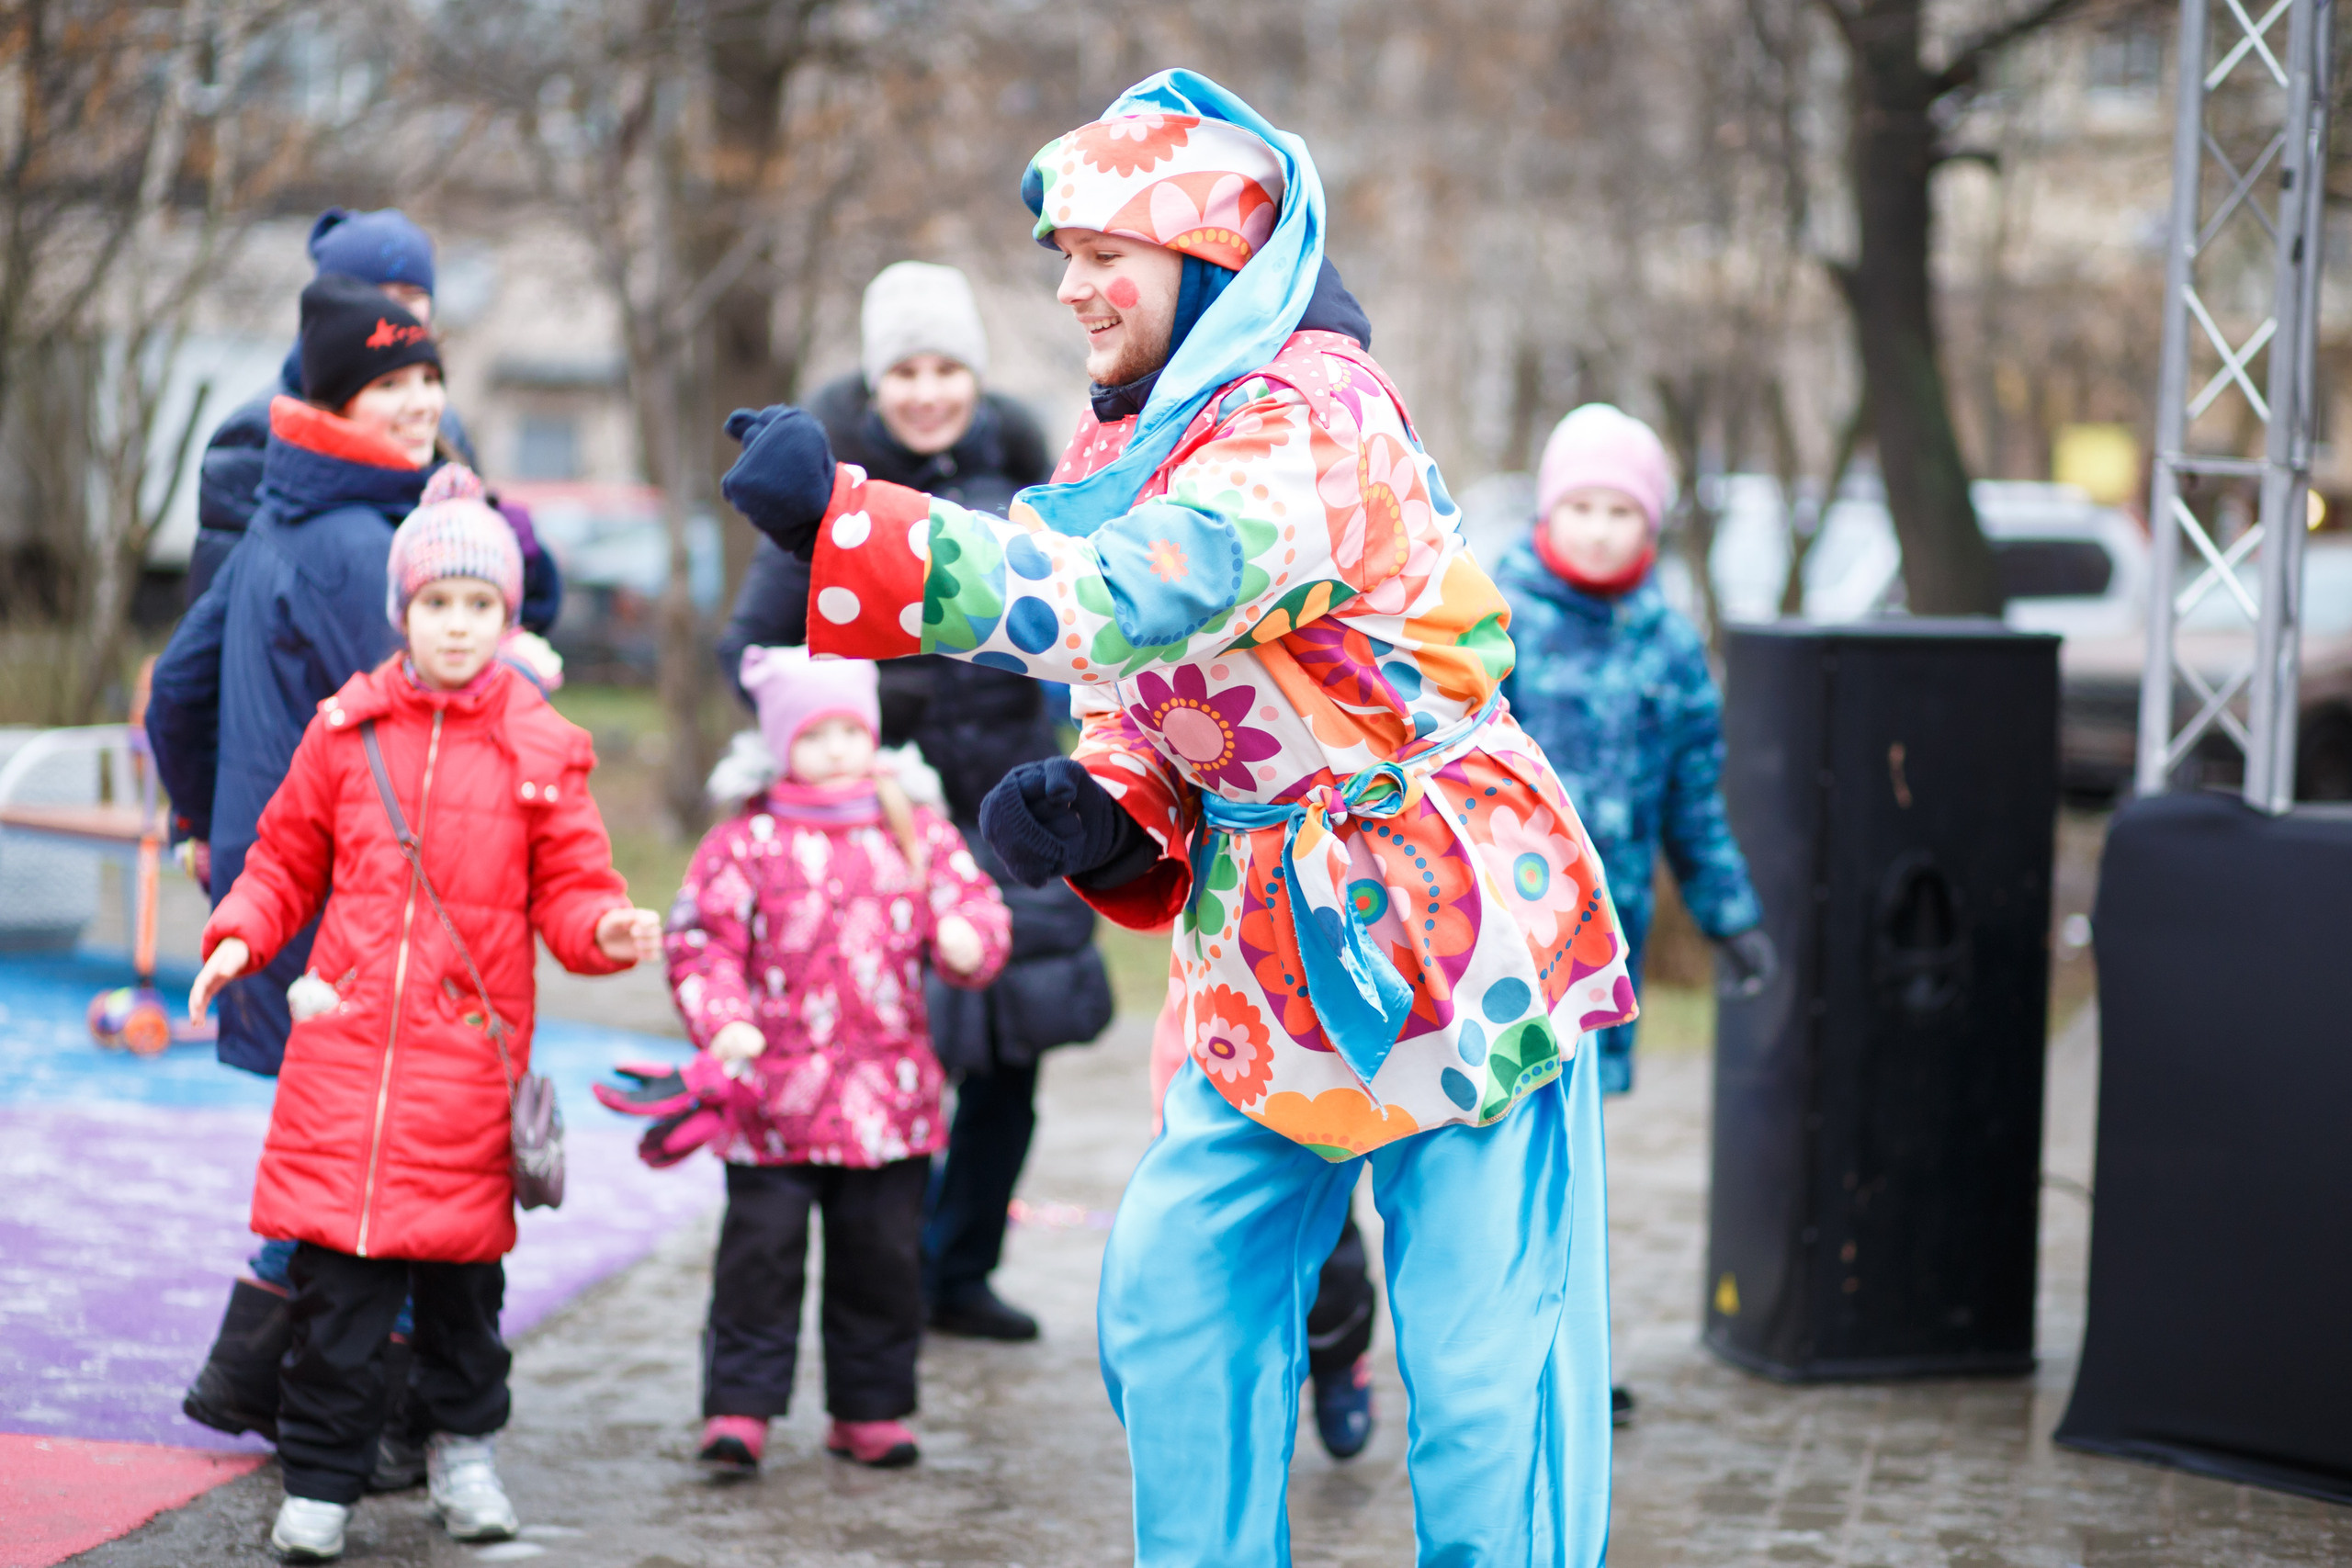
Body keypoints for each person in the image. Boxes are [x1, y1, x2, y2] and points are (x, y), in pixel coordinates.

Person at [712, 71, 1638, 1564]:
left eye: (1106, 256)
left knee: (1480, 1374)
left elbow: (1148, 590)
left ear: (1208, 264)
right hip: (1262, 954)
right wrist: (1111, 804)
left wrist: (855, 528)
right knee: (1172, 1297)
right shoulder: (1125, 444)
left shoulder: (1309, 417)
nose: (1074, 290)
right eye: (1064, 257)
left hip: (1454, 931)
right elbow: (1145, 693)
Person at [184, 465, 664, 1562]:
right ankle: (320, 1482)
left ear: (506, 615)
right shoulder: (345, 733)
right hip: (345, 1070)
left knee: (460, 1300)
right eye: (438, 603)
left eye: (480, 605)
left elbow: (576, 895)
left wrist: (610, 933)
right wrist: (235, 936)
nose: (458, 625)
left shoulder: (543, 749)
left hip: (465, 1076)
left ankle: (465, 1453)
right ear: (404, 610)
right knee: (337, 1307)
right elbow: (281, 863)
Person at [714, 261, 1110, 1343]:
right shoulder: (824, 486)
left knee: (1009, 1059)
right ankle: (881, 1280)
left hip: (1021, 811)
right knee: (897, 1053)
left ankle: (959, 1269)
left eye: (948, 368)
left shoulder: (1027, 466)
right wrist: (895, 695)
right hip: (885, 820)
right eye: (906, 370)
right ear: (876, 378)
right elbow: (748, 650)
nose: (928, 390)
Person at [150, 275, 474, 1476]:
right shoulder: (355, 547)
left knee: (341, 1137)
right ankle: (348, 1403)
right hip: (352, 893)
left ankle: (250, 1372)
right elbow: (441, 719)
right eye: (391, 383)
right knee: (381, 1150)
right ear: (335, 396)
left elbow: (174, 690)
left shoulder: (282, 518)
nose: (420, 401)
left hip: (284, 874)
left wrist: (203, 819)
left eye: (430, 377)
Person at [632, 644, 1009, 1474]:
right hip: (772, 1099)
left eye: (852, 729)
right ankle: (739, 1407)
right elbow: (700, 940)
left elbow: (975, 908)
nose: (839, 747)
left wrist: (965, 940)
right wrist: (723, 1020)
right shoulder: (746, 840)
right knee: (758, 1258)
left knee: (882, 1259)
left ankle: (869, 1409)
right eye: (817, 733)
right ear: (779, 742)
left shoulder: (914, 829)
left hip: (888, 1100)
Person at [1495, 403, 1776, 1426]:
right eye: (1581, 505)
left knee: (1572, 1160)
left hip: (1596, 957)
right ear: (1547, 510)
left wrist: (1729, 915)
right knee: (1487, 1157)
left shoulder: (1666, 644)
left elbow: (1694, 800)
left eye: (1621, 508)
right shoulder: (1492, 616)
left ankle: (1571, 1351)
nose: (1601, 527)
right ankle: (1493, 1348)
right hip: (1487, 947)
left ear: (1650, 523)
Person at [187, 206, 562, 635]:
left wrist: (520, 557)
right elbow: (221, 621)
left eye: (412, 296)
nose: (395, 312)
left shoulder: (442, 426)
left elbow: (493, 603)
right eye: (377, 294)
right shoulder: (260, 433)